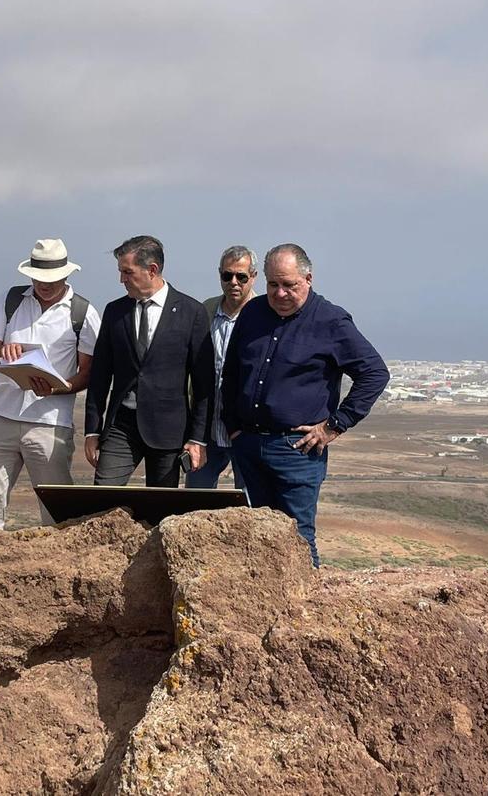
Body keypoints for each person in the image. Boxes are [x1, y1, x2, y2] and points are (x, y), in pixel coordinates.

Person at [221, 244, 389, 567]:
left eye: (289, 285)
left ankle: (306, 611)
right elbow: (231, 372)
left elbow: (375, 373)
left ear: (308, 279)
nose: (280, 293)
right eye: (273, 284)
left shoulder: (331, 321)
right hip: (248, 444)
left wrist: (334, 425)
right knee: (258, 538)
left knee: (298, 539)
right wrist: (233, 425)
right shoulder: (253, 313)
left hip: (296, 451)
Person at [0, 239, 102, 529]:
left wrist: (57, 388)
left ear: (66, 275)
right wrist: (4, 349)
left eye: (51, 279)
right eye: (38, 277)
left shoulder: (83, 313)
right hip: (1, 414)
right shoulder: (12, 299)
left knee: (55, 509)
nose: (43, 285)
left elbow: (88, 373)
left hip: (49, 422)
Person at [85, 235, 214, 487]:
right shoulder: (115, 311)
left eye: (127, 272)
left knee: (160, 508)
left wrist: (198, 439)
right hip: (121, 426)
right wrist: (92, 429)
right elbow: (100, 374)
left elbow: (203, 383)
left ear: (152, 270)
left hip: (169, 430)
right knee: (102, 497)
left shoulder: (192, 312)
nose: (121, 279)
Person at [186, 245, 259, 491]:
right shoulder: (205, 311)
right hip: (206, 430)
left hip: (247, 431)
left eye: (241, 276)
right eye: (227, 276)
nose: (234, 283)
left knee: (250, 505)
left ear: (254, 276)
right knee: (195, 502)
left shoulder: (265, 315)